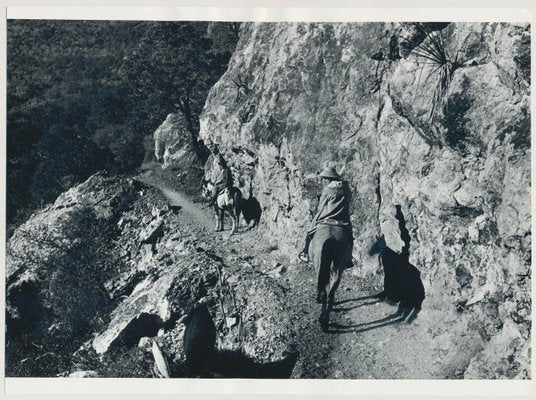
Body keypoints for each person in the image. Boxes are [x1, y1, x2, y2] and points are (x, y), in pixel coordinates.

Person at [299, 164, 353, 264]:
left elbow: (321, 206)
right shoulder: (346, 187)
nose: (325, 180)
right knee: (349, 235)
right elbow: (348, 201)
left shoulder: (328, 189)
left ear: (328, 178)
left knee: (310, 232)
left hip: (327, 218)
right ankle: (349, 258)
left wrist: (318, 216)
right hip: (342, 219)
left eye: (325, 178)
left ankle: (305, 253)